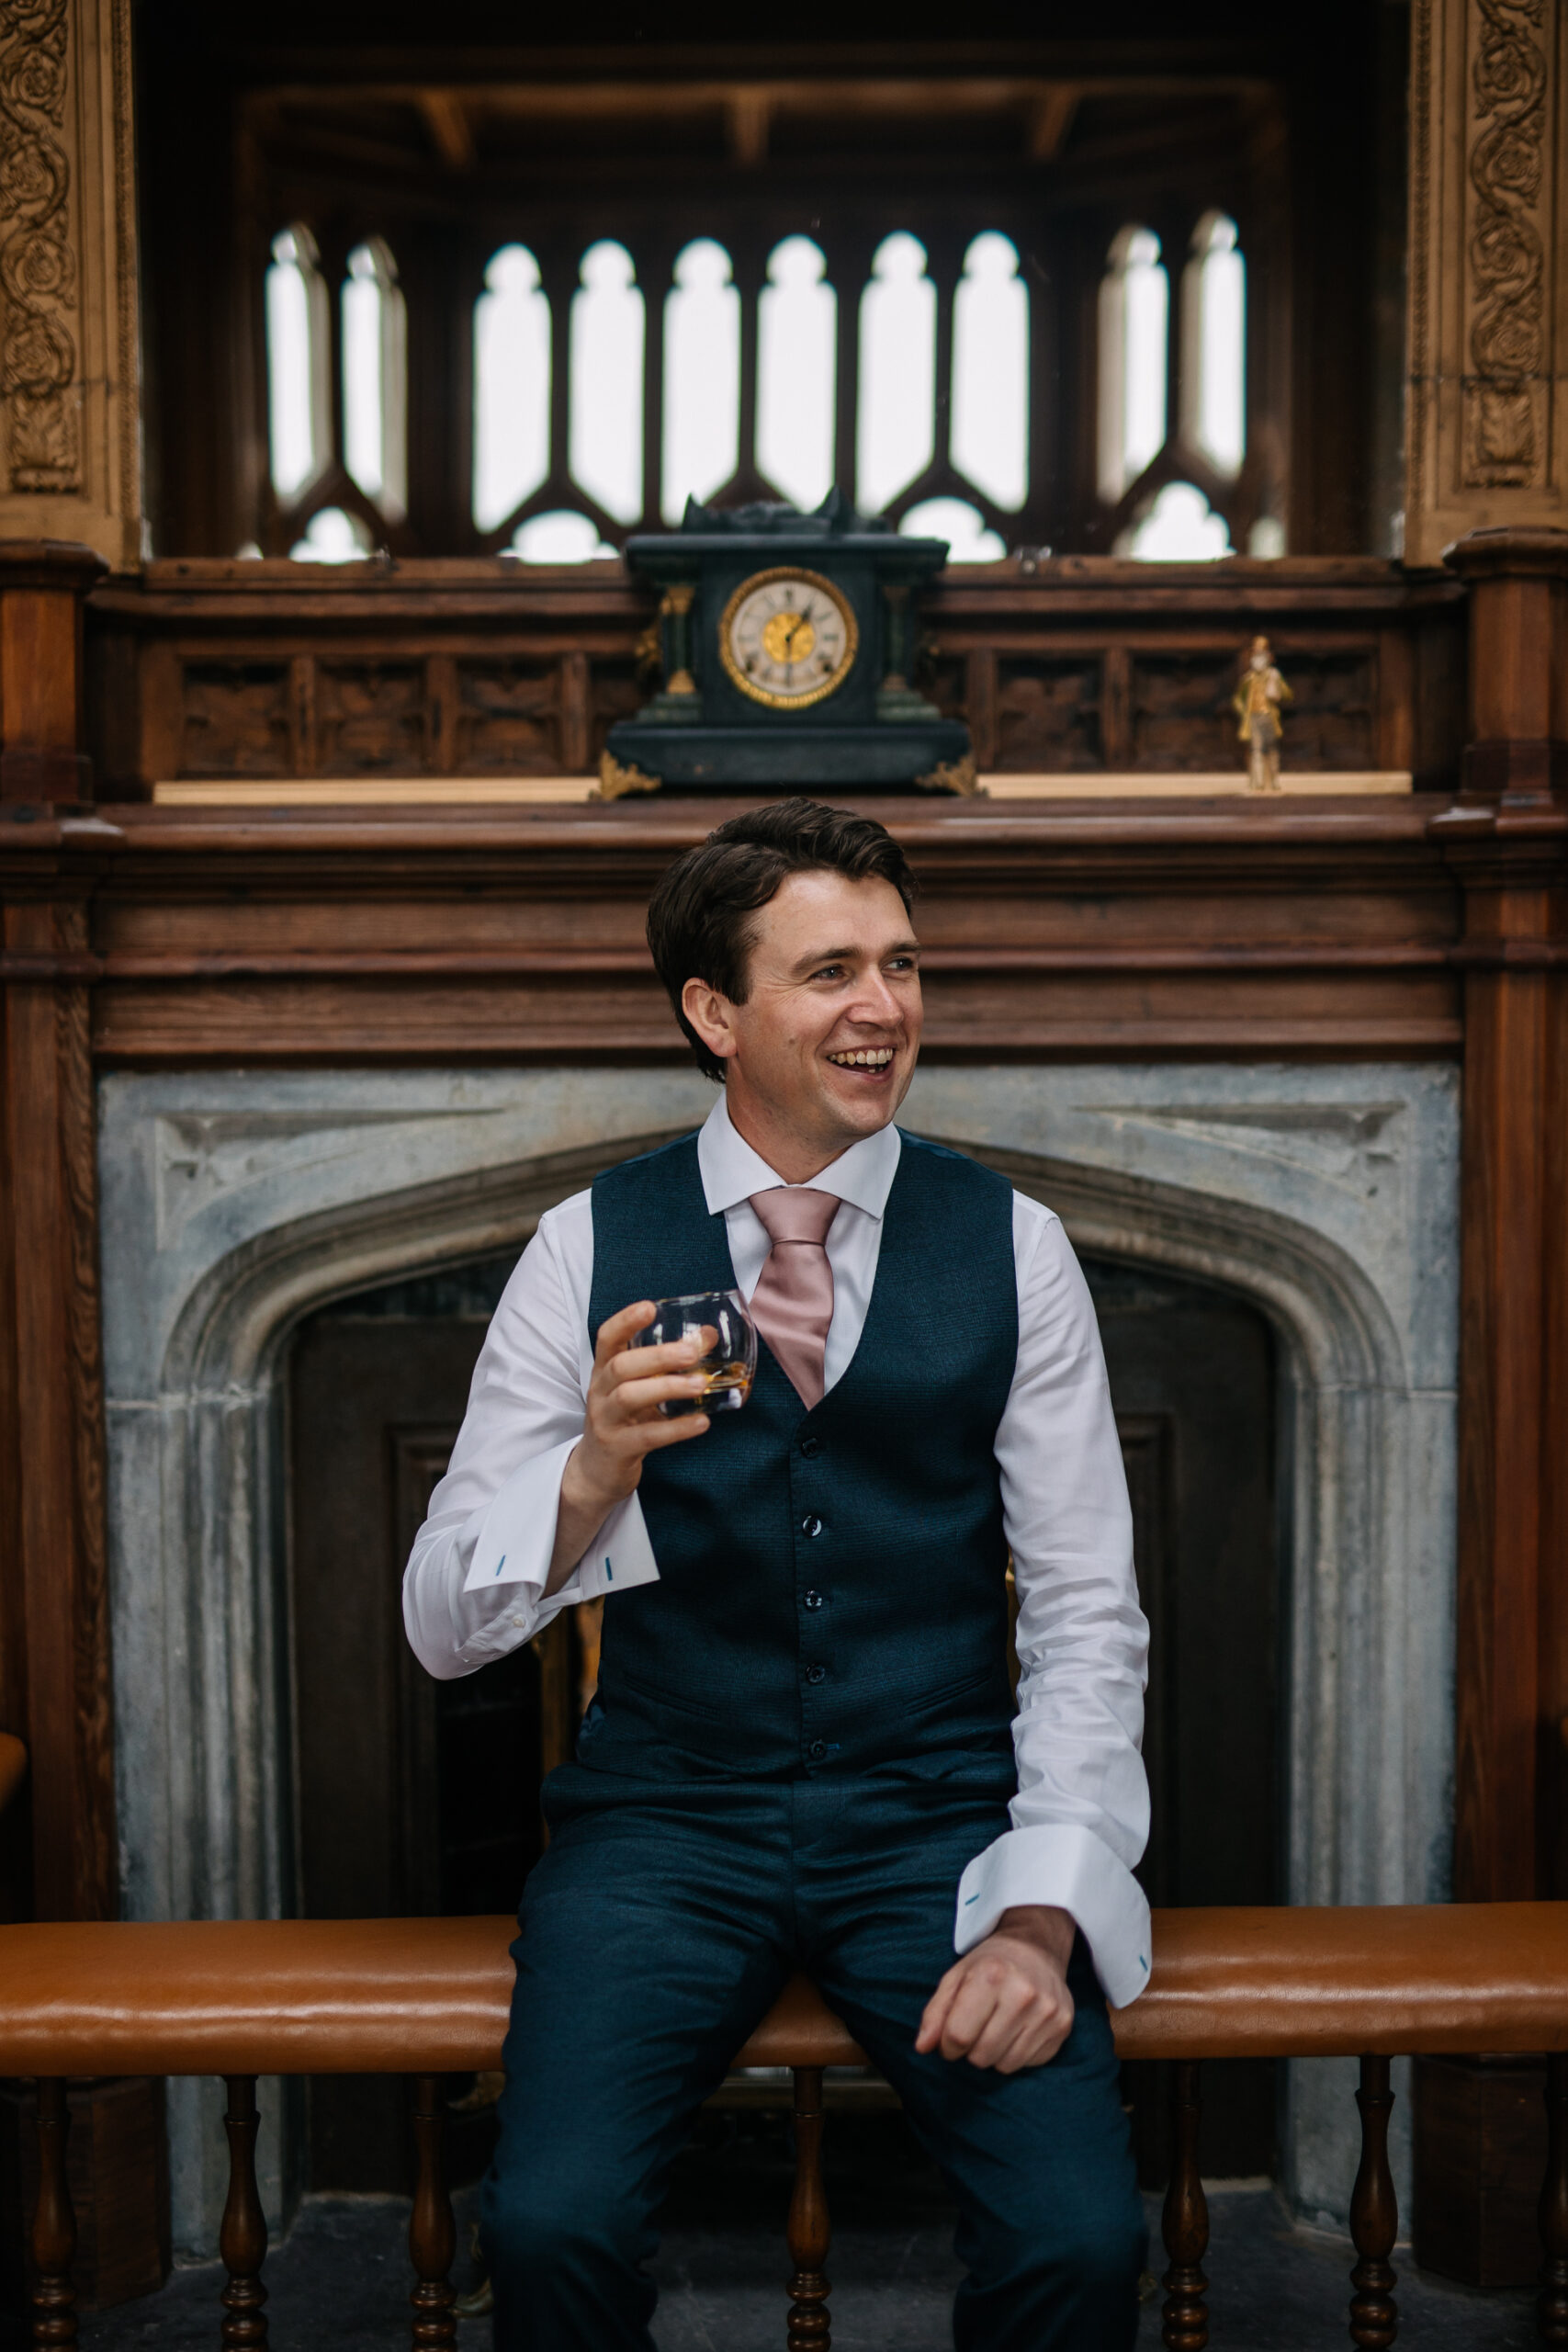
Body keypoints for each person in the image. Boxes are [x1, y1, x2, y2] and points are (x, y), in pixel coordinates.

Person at [403, 797, 1151, 2351]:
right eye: (829, 972)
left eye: (901, 964)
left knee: (1079, 2240)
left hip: (936, 1818)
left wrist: (1041, 1919)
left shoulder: (1014, 1246)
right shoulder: (580, 1247)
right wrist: (594, 1470)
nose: (884, 1008)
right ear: (713, 1012)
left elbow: (1087, 1612)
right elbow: (441, 1631)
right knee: (548, 2229)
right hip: (666, 1823)